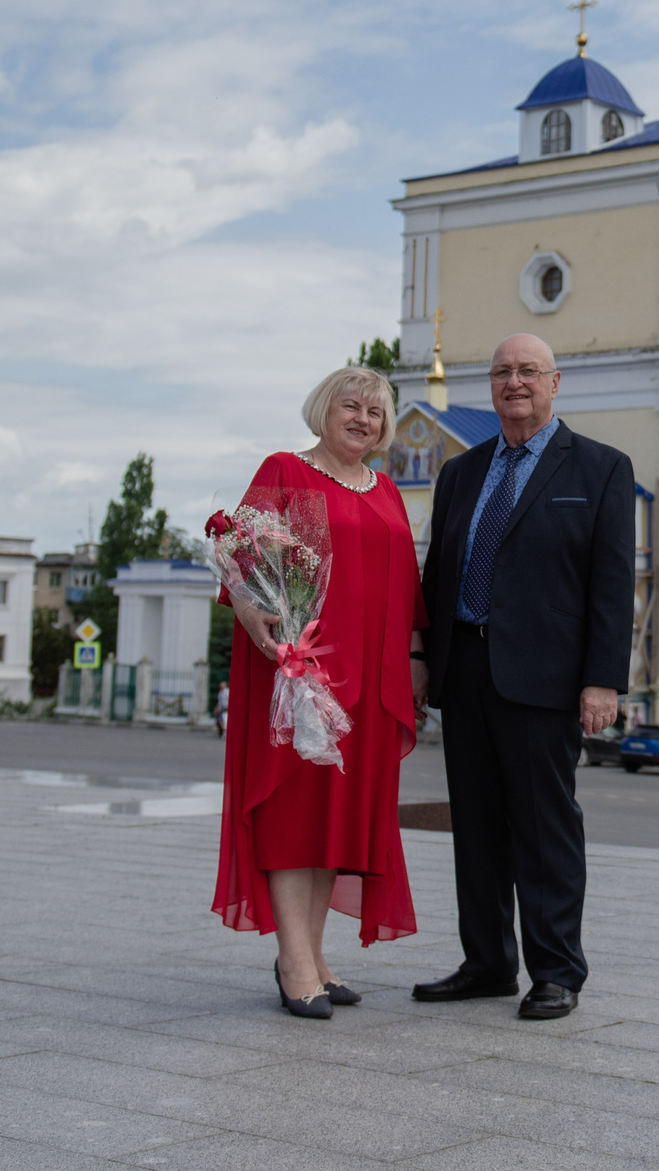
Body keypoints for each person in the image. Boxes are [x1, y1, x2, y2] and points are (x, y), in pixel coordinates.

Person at [413, 334, 635, 1022]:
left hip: (546, 678)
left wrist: (602, 679)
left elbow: (611, 583)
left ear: (555, 382)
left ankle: (557, 969)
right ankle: (486, 962)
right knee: (475, 825)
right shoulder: (461, 472)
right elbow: (436, 575)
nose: (516, 381)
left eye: (529, 371)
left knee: (543, 827)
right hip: (466, 668)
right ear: (491, 385)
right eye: (504, 371)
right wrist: (424, 659)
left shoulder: (600, 468)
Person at [212, 366, 425, 1020]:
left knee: (338, 813)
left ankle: (315, 955)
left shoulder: (387, 489)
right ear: (323, 411)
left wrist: (413, 666)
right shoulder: (284, 469)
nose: (362, 418)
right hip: (301, 671)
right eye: (350, 406)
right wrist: (256, 617)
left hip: (369, 678)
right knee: (293, 810)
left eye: (374, 411)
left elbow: (406, 588)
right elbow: (236, 557)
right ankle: (293, 962)